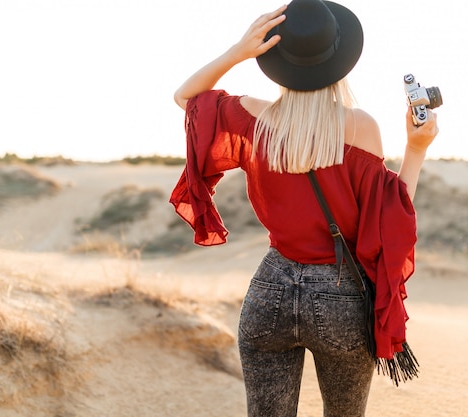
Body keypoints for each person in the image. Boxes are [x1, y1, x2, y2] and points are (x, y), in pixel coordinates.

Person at [170, 0, 439, 415]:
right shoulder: (359, 126)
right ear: (340, 61)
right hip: (339, 294)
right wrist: (416, 149)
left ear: (276, 58)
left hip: (269, 288)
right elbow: (390, 220)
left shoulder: (249, 117)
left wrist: (239, 51)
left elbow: (186, 96)